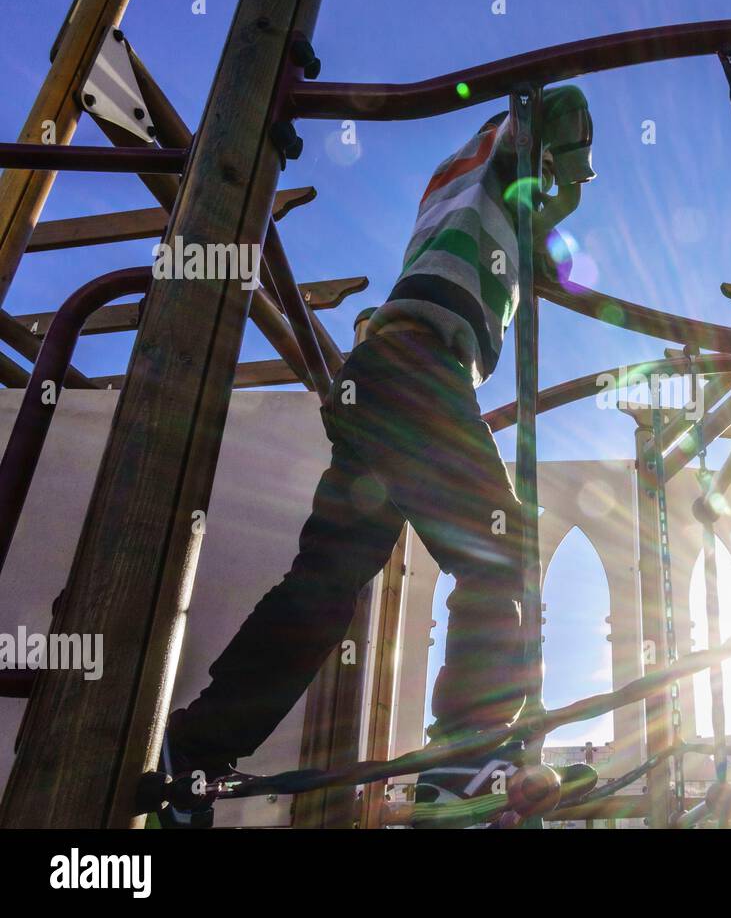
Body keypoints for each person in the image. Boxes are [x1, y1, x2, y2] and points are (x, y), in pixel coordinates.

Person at [159, 87, 595, 826]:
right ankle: (462, 756)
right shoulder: (487, 164)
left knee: (325, 582)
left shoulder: (475, 211)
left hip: (379, 379)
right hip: (422, 368)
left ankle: (197, 746)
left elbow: (551, 248)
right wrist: (576, 166)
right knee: (500, 545)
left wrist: (558, 219)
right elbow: (559, 104)